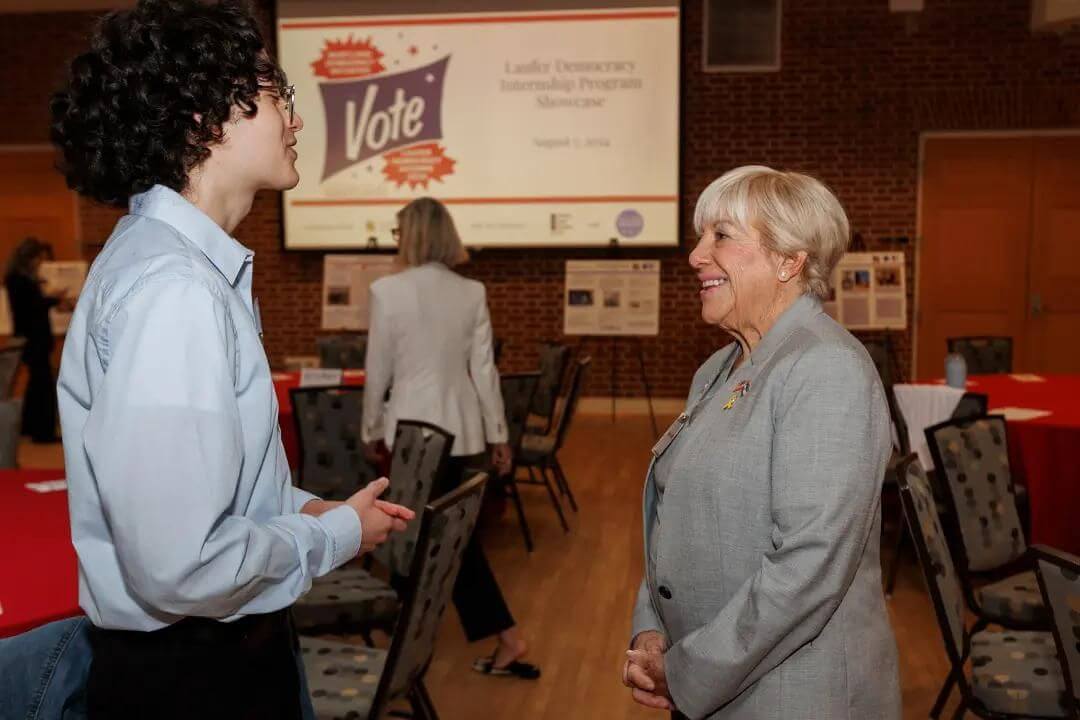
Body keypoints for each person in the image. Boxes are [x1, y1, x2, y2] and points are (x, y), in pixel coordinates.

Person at [50, 1, 414, 718]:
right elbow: (182, 565)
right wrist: (338, 533)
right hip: (197, 678)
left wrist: (305, 508)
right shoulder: (175, 290)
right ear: (202, 118)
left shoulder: (176, 266)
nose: (295, 119)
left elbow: (210, 491)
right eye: (279, 96)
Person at [623, 166, 900, 719]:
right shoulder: (717, 369)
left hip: (792, 694)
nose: (697, 255)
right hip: (714, 678)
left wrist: (684, 671)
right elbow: (674, 518)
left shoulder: (827, 369)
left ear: (788, 260)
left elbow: (808, 567)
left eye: (720, 236)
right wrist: (651, 629)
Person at [362, 197, 540, 679]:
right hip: (464, 433)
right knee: (443, 539)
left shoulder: (386, 291)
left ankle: (494, 638)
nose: (396, 240)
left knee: (427, 537)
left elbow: (378, 370)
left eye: (399, 231)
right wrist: (499, 434)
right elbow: (484, 371)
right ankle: (410, 640)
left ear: (412, 234)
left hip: (414, 435)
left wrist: (370, 429)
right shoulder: (471, 291)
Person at [4, 237, 69, 442]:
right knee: (43, 387)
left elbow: (33, 304)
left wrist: (49, 296)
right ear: (29, 258)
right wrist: (55, 298)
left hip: (32, 338)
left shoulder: (18, 279)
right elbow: (33, 306)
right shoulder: (19, 280)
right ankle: (43, 432)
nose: (39, 264)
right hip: (34, 339)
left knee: (35, 386)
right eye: (38, 260)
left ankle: (29, 426)